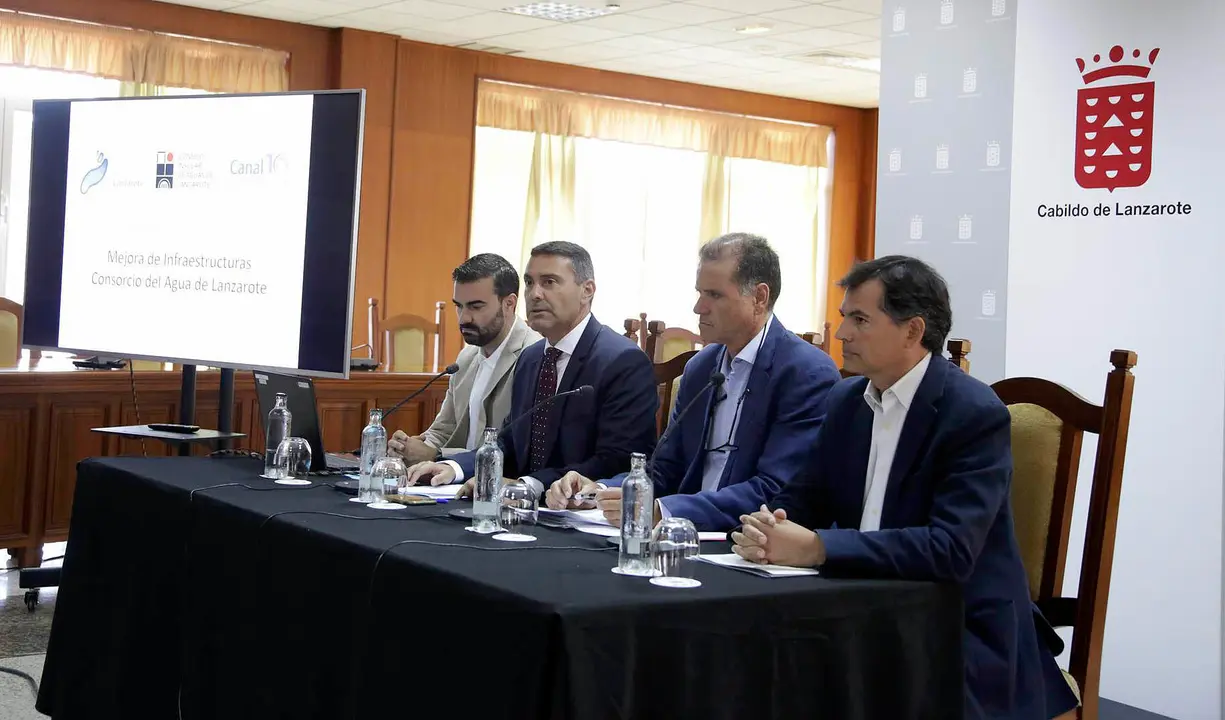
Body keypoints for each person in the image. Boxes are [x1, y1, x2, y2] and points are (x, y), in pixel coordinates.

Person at [730, 256, 1078, 720]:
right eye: (843, 317)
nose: (841, 334)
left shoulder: (971, 412)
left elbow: (950, 549)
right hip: (862, 608)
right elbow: (804, 497)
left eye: (860, 320)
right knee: (751, 664)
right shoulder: (846, 400)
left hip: (955, 628)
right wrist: (769, 527)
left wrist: (817, 548)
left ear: (913, 331)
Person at [543, 233, 840, 532]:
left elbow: (775, 490)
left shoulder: (805, 373)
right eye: (700, 292)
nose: (699, 307)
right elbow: (664, 469)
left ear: (760, 298)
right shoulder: (701, 367)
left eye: (714, 295)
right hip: (679, 534)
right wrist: (597, 490)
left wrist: (664, 510)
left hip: (747, 542)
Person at [404, 241, 659, 499]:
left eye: (549, 282)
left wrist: (528, 484)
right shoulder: (532, 357)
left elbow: (617, 462)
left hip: (579, 515)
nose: (534, 294)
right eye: (529, 282)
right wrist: (454, 467)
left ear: (587, 291)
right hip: (521, 510)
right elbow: (510, 442)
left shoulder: (622, 361)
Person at [387, 253, 540, 464]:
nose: (464, 318)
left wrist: (437, 455)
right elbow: (443, 430)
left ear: (509, 304)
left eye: (476, 307)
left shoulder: (534, 355)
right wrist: (410, 447)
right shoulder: (466, 358)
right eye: (459, 305)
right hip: (452, 481)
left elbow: (513, 449)